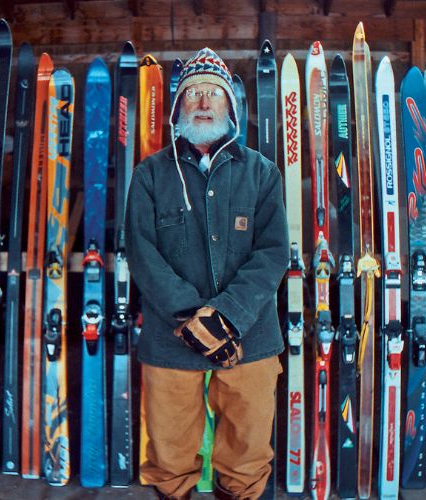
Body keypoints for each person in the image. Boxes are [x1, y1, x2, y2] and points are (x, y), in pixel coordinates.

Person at [125, 47, 289, 500]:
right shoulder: (150, 175)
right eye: (192, 93)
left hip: (250, 337)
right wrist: (191, 314)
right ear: (177, 108)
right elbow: (141, 253)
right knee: (170, 456)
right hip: (170, 338)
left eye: (212, 93)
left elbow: (274, 252)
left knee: (247, 455)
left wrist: (227, 315)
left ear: (230, 107)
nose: (202, 101)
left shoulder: (263, 174)